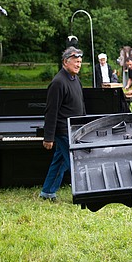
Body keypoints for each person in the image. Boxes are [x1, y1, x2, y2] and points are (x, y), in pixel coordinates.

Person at [40, 47, 86, 201]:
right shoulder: (58, 82)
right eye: (76, 62)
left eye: (80, 62)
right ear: (66, 62)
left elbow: (80, 104)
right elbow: (51, 111)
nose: (79, 65)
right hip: (63, 131)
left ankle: (47, 192)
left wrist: (83, 125)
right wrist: (49, 137)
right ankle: (85, 194)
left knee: (60, 161)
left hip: (75, 129)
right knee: (76, 163)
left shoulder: (75, 79)